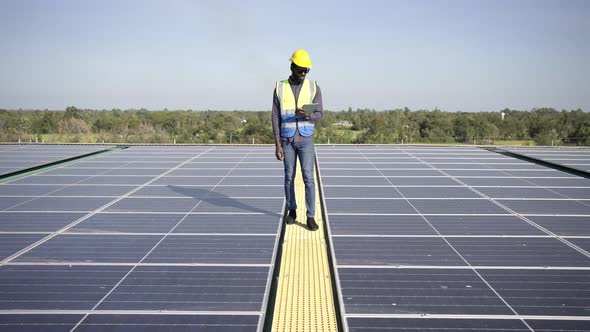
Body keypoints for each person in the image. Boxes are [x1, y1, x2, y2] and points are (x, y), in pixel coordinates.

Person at [272, 49, 323, 231]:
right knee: (289, 178)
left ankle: (310, 216)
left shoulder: (313, 86)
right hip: (286, 140)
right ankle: (292, 211)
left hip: (306, 139)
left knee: (309, 178)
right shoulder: (279, 87)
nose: (303, 73)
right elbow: (275, 117)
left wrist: (308, 114)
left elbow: (320, 115)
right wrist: (277, 144)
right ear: (292, 66)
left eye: (306, 70)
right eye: (300, 69)